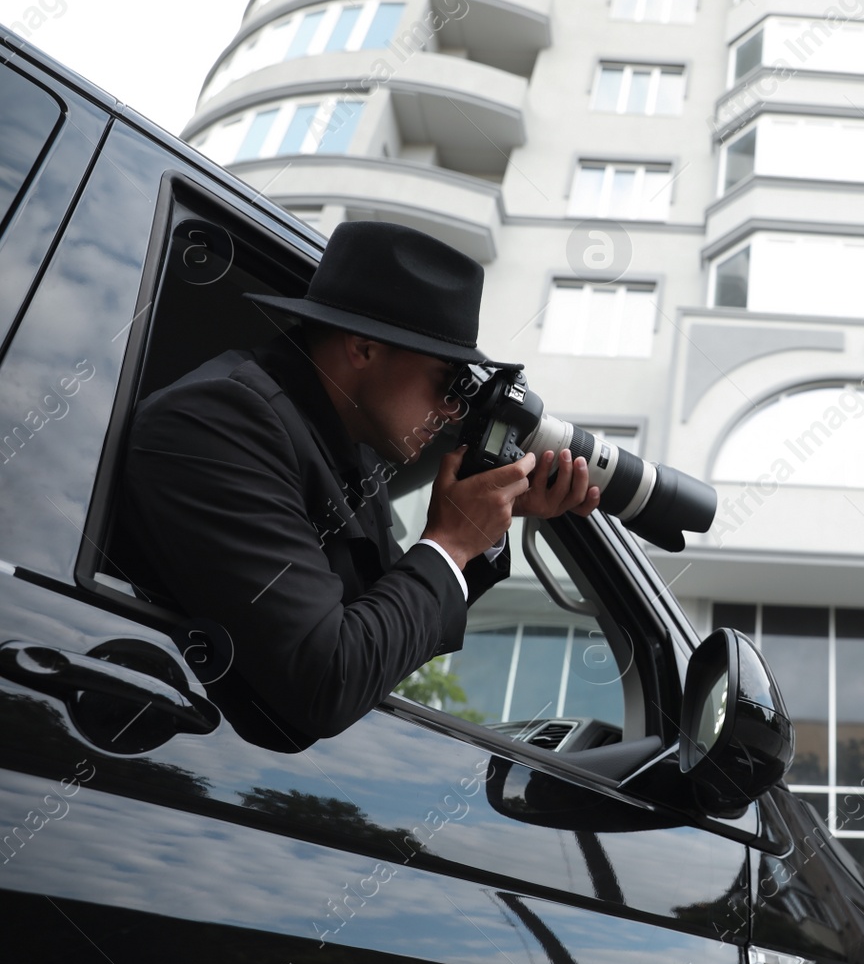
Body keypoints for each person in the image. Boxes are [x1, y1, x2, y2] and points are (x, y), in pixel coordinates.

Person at [115, 221, 600, 745]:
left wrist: (486, 525)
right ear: (364, 348)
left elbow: (382, 634)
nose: (455, 407)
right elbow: (326, 681)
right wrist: (452, 542)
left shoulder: (347, 450)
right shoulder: (218, 419)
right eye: (446, 379)